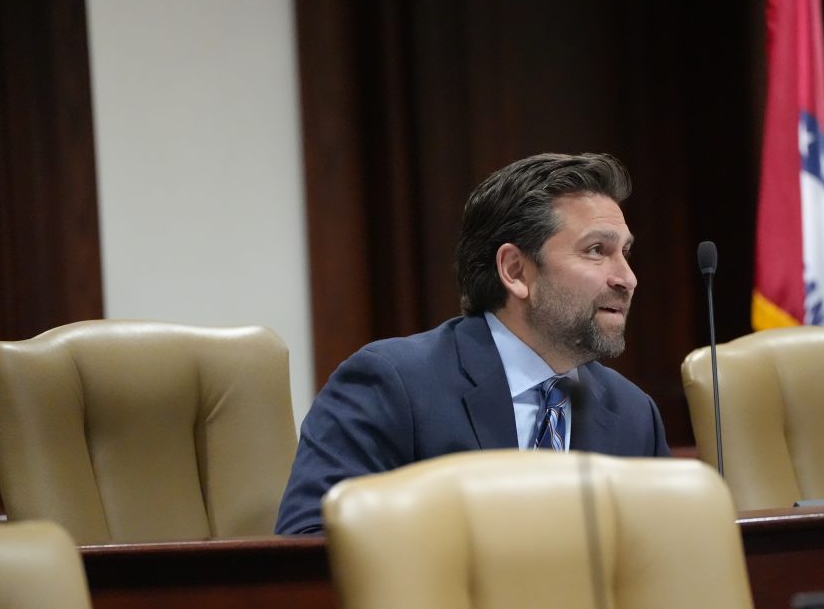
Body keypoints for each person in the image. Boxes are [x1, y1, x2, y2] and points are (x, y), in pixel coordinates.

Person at [275, 152, 669, 534]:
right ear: (515, 271)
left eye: (625, 253)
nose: (627, 278)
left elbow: (660, 558)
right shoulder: (394, 385)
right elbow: (311, 543)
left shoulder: (634, 415)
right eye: (597, 251)